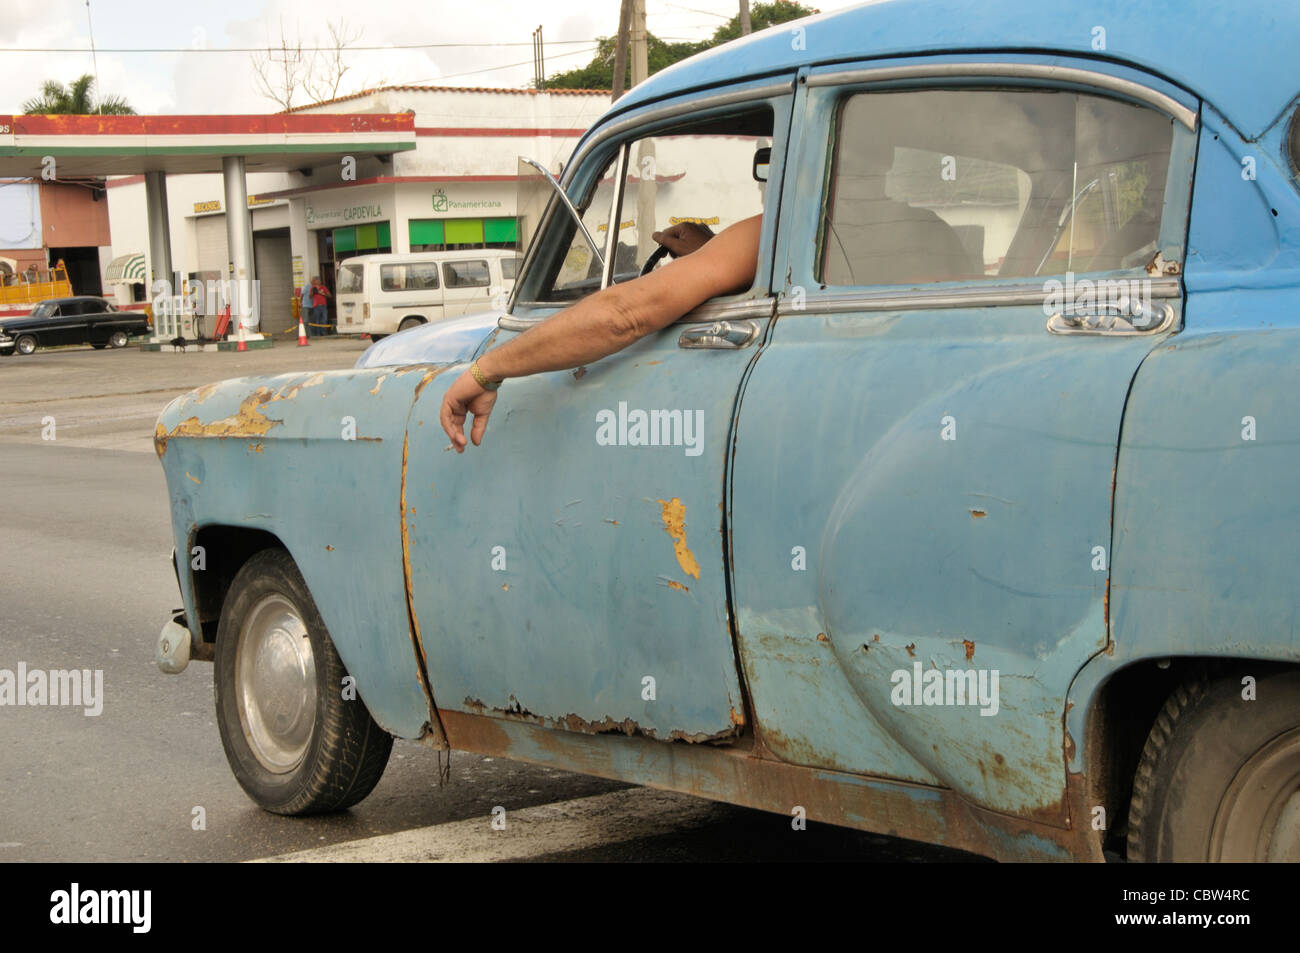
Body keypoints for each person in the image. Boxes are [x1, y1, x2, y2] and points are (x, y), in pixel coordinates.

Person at [440, 216, 760, 453]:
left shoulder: (767, 229)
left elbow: (622, 317)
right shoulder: (786, 230)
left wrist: (486, 371)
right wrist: (712, 251)